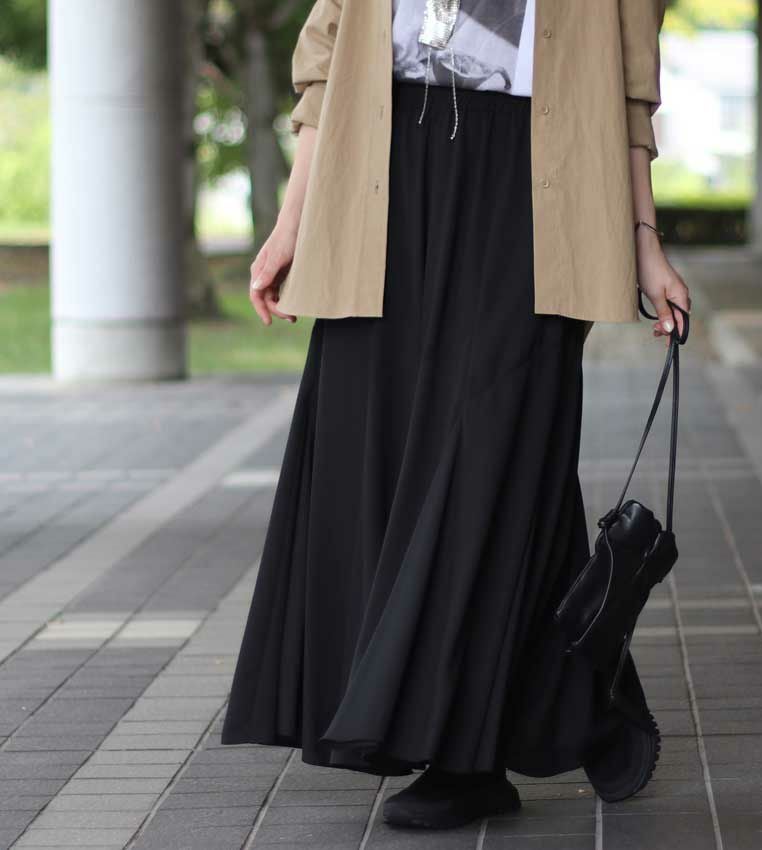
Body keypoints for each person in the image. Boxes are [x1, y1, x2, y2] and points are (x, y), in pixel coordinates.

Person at [220, 0, 691, 830]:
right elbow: (326, 63)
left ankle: (470, 754)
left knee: (494, 451)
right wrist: (291, 225)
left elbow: (627, 87)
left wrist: (644, 240)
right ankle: (549, 708)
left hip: (535, 192)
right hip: (380, 184)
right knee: (381, 452)